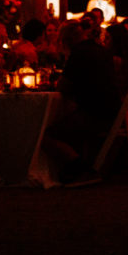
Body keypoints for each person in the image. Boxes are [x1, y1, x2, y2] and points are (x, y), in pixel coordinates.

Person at [45, 22, 118, 182]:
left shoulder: (78, 53)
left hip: (96, 115)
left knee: (46, 136)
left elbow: (63, 86)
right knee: (67, 119)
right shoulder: (100, 50)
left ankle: (81, 170)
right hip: (111, 110)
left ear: (65, 41)